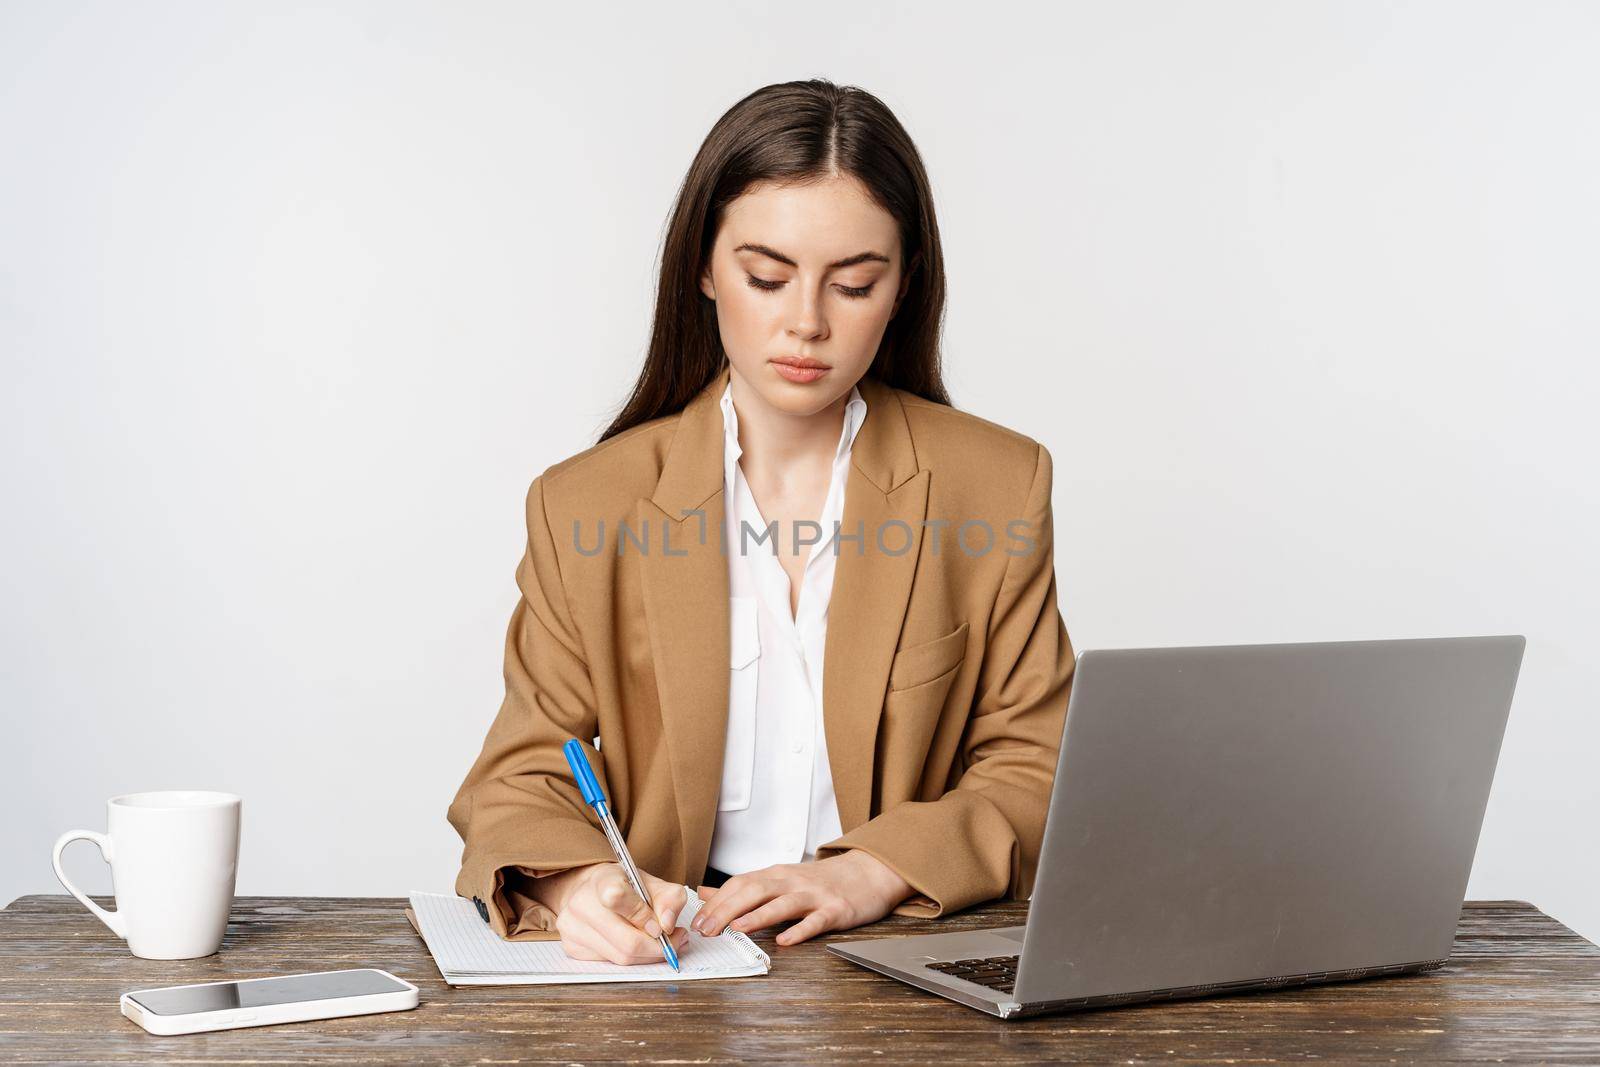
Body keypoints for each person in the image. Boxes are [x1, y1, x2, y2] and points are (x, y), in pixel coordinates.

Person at [446, 78, 1076, 966]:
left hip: (902, 953)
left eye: (854, 283)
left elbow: (1039, 767)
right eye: (767, 276)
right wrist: (579, 882)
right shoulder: (585, 502)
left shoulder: (996, 484)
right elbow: (519, 776)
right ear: (704, 268)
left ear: (902, 288)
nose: (807, 322)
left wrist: (876, 869)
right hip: (677, 963)